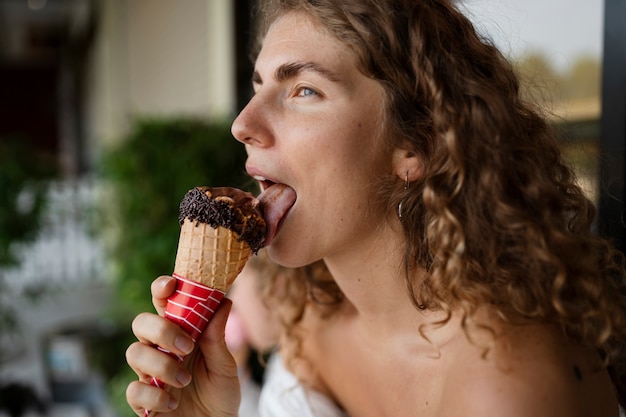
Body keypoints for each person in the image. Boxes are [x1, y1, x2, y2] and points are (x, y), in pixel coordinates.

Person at [125, 0, 626, 416]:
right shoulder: (306, 315)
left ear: (415, 144)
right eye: (258, 86)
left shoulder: (509, 386)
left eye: (304, 90)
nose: (242, 123)